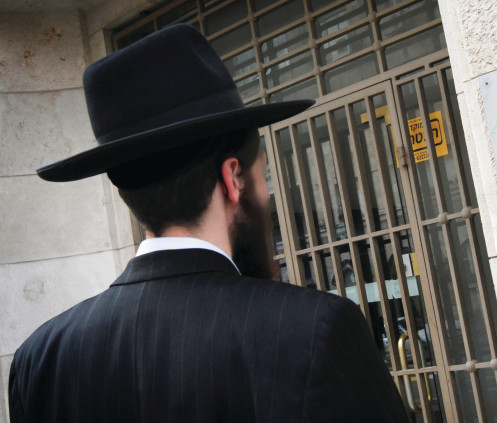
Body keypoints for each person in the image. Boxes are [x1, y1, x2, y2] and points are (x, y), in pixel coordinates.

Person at [8, 23, 409, 423]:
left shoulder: (40, 361)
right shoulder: (315, 330)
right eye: (262, 173)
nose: (266, 194)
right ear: (233, 178)